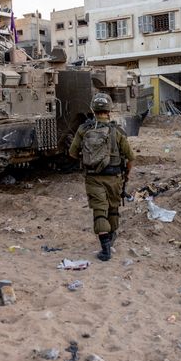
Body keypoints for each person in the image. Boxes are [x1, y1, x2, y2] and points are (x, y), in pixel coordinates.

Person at [69, 93, 135, 261]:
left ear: (93, 109)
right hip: (115, 178)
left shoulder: (84, 129)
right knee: (113, 208)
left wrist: (89, 160)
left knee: (100, 212)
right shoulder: (117, 131)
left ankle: (105, 249)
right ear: (109, 110)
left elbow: (72, 153)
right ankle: (110, 239)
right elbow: (130, 157)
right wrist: (126, 175)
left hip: (93, 177)